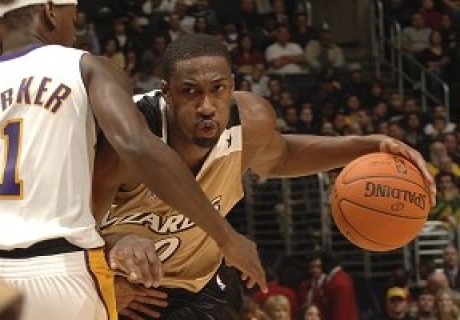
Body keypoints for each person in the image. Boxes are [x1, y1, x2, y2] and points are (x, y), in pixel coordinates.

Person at [95, 33, 436, 319]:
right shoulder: (126, 140)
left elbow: (282, 156)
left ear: (232, 86)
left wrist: (369, 145)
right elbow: (64, 221)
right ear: (166, 92)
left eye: (218, 89)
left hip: (196, 285)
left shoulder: (249, 124)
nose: (207, 105)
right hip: (121, 291)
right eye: (191, 92)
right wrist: (107, 264)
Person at [0, 2, 267, 320]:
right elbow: (137, 145)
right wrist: (226, 237)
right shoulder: (87, 66)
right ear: (50, 11)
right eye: (72, 21)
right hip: (62, 263)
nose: (74, 33)